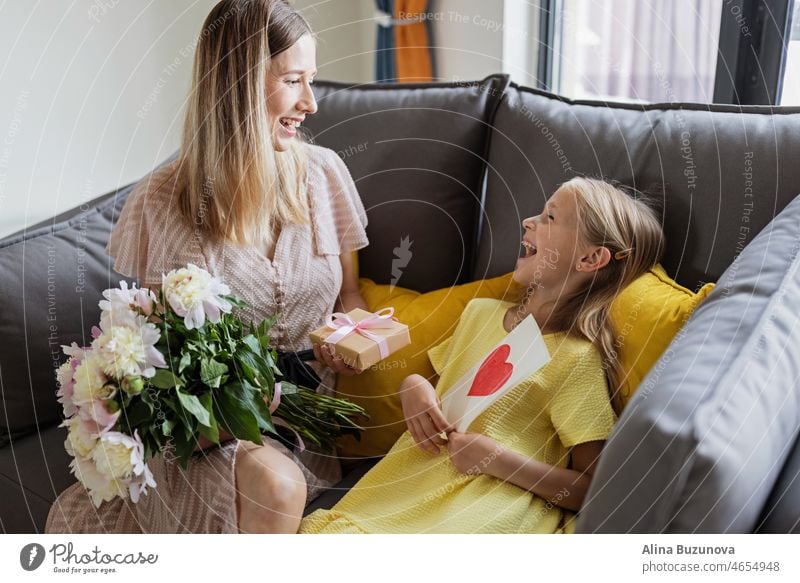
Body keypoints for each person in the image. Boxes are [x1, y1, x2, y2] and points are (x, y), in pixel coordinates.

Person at [46, 0, 368, 534]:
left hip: (304, 431)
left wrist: (352, 337)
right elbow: (160, 354)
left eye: (312, 80)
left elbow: (351, 296)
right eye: (293, 81)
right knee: (274, 486)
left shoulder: (325, 175)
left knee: (281, 481)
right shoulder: (162, 201)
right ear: (240, 85)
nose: (310, 102)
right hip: (209, 432)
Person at [300, 177, 665, 533]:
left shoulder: (575, 359)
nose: (528, 221)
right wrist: (412, 387)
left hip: (485, 503)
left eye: (550, 217)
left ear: (591, 258)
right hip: (409, 484)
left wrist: (494, 460)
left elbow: (592, 488)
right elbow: (444, 393)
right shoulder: (480, 314)